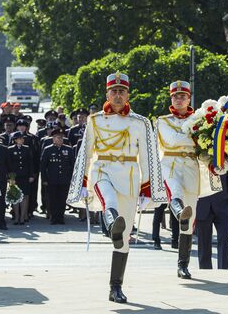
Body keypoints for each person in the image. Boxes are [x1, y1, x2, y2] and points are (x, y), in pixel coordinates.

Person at [67, 72, 164, 303]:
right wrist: (81, 182)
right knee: (108, 199)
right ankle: (112, 224)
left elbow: (147, 157)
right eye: (114, 91)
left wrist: (146, 187)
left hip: (129, 178)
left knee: (124, 240)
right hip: (102, 171)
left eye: (122, 91)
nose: (118, 95)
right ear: (107, 94)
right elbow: (86, 153)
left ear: (128, 94)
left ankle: (115, 287)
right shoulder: (95, 120)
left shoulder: (140, 122)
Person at [155, 80, 196, 279]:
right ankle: (178, 211)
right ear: (171, 98)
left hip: (191, 168)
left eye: (183, 96)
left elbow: (206, 144)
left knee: (190, 219)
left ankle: (183, 265)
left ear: (189, 98)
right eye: (175, 96)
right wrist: (194, 138)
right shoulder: (163, 120)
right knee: (175, 194)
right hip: (170, 165)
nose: (179, 100)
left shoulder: (200, 119)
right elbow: (172, 140)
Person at [196, 171, 228, 269]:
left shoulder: (225, 156)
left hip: (224, 205)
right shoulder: (195, 157)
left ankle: (223, 269)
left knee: (225, 240)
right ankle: (205, 270)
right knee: (203, 242)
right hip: (202, 206)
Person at [40, 128, 74, 224]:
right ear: (53, 138)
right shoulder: (48, 149)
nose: (60, 139)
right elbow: (43, 166)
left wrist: (71, 179)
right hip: (52, 179)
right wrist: (44, 179)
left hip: (64, 179)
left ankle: (61, 217)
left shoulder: (68, 149)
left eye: (61, 138)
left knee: (62, 199)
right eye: (58, 137)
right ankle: (53, 217)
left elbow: (72, 165)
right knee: (52, 199)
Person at [7, 131, 34, 225]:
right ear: (15, 140)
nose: (22, 140)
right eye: (20, 138)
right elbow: (9, 164)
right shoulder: (10, 149)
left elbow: (30, 163)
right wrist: (10, 177)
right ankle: (16, 216)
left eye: (22, 138)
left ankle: (23, 217)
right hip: (14, 177)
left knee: (25, 196)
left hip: (25, 176)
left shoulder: (26, 148)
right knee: (15, 196)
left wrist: (31, 175)